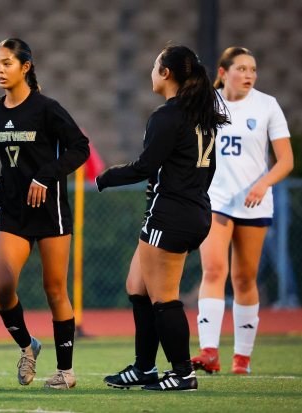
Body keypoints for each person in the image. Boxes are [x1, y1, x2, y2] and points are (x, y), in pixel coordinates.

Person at [98, 44, 229, 391]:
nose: (152, 71)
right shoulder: (199, 115)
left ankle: (183, 373)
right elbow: (208, 169)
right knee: (136, 287)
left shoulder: (167, 116)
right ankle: (144, 368)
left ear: (166, 73)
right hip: (190, 211)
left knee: (164, 299)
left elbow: (144, 166)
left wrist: (104, 178)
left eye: (156, 65)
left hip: (171, 215)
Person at [0, 38, 89, 390]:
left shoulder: (47, 108)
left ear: (25, 66)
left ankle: (65, 372)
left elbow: (81, 148)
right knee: (2, 287)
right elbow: (7, 162)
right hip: (14, 213)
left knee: (55, 289)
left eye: (6, 63)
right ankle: (27, 346)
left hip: (50, 213)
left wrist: (46, 176)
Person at [192, 47, 293, 375]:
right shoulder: (205, 104)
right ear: (222, 73)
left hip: (254, 203)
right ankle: (209, 352)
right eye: (241, 69)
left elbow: (286, 160)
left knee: (245, 277)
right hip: (215, 201)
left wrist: (263, 183)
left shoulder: (267, 105)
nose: (249, 75)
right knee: (213, 271)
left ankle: (242, 359)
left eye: (252, 69)